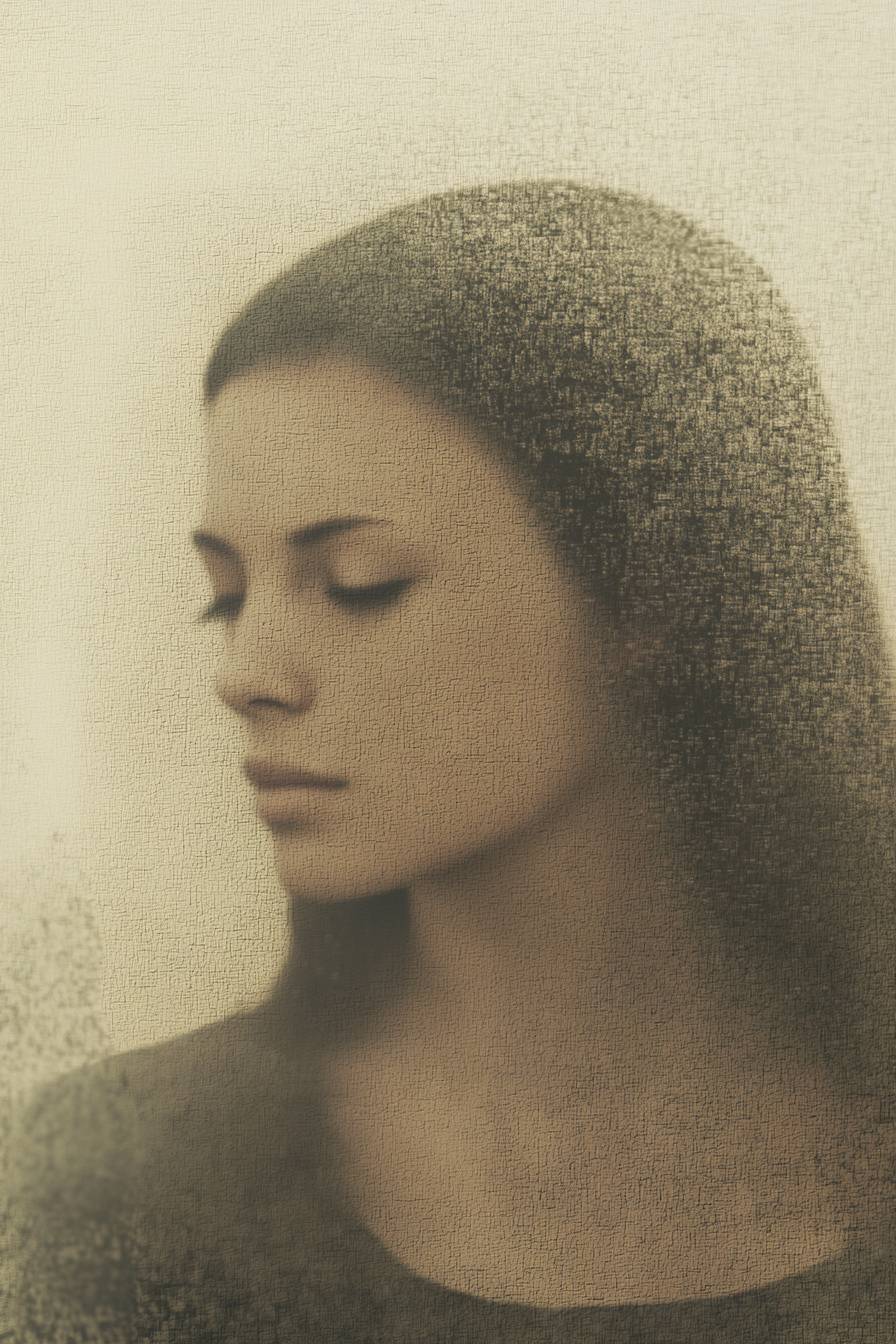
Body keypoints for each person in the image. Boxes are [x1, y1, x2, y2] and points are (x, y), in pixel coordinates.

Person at [10, 179, 896, 1342]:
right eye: (226, 596)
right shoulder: (100, 1184)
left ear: (652, 594)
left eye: (358, 584)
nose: (247, 672)